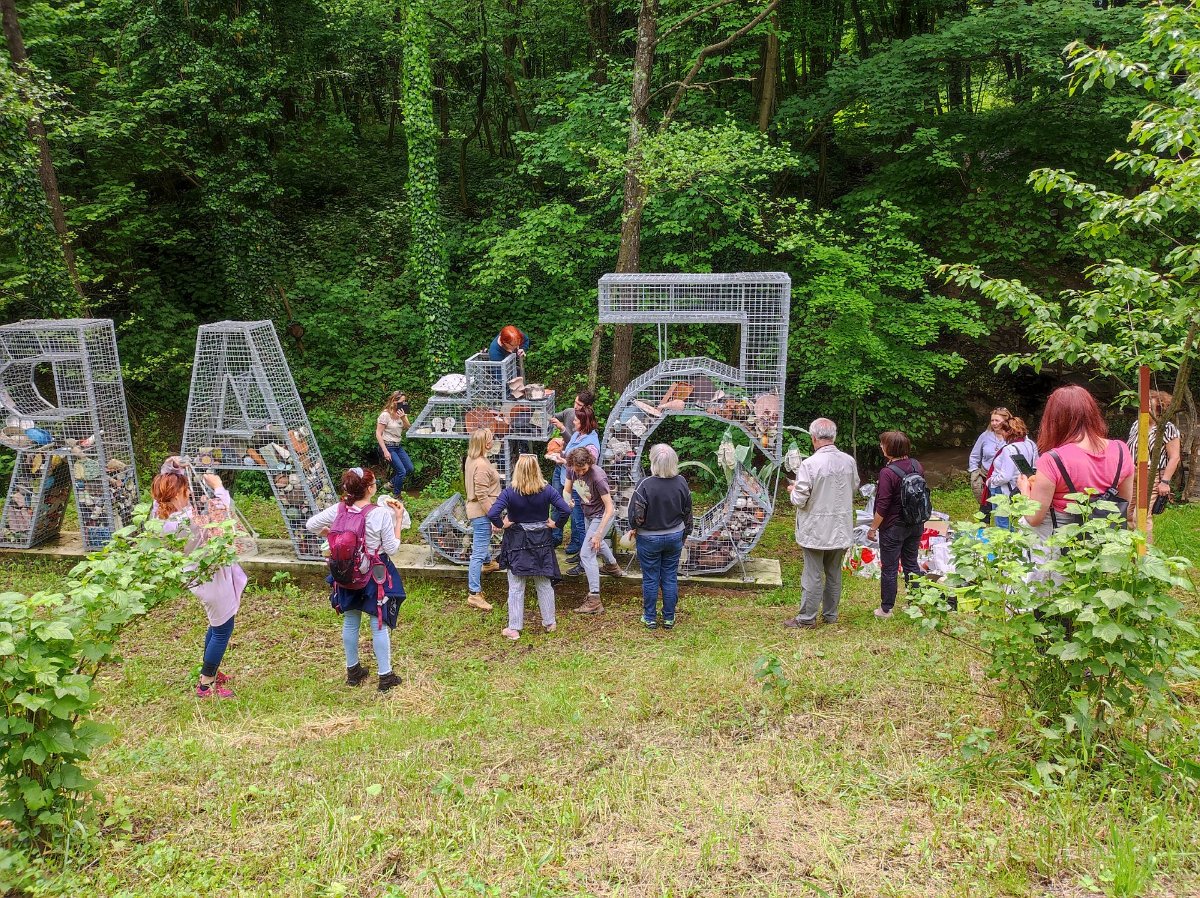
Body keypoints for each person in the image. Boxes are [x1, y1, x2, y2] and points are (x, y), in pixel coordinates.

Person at [152, 458, 247, 699]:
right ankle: (206, 684)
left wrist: (171, 465)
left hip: (198, 575)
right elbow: (222, 516)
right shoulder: (187, 522)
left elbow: (163, 485)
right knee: (223, 629)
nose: (190, 493)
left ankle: (211, 669)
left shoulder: (160, 516)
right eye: (186, 491)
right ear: (176, 495)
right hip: (211, 579)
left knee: (216, 625)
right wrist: (218, 487)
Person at [305, 468, 406, 692]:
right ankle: (385, 676)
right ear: (369, 489)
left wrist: (334, 535)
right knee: (378, 624)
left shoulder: (339, 509)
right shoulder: (379, 514)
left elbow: (311, 524)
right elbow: (392, 548)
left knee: (351, 621)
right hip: (374, 573)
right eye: (374, 483)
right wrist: (398, 520)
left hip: (347, 571)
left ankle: (353, 672)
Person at [1019, 385, 1133, 535]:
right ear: (1092, 413)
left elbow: (1034, 519)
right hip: (1104, 540)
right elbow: (1123, 505)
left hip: (1061, 541)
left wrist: (1024, 489)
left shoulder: (1052, 459)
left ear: (1054, 419)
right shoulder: (1121, 450)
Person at [782, 419, 860, 630]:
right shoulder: (848, 461)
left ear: (814, 438)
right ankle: (830, 614)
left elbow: (800, 499)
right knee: (834, 572)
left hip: (815, 529)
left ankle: (807, 618)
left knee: (813, 574)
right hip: (841, 526)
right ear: (834, 436)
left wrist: (793, 491)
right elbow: (854, 487)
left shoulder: (810, 464)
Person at [486, 454, 573, 640]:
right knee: (543, 583)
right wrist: (556, 524)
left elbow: (493, 513)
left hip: (517, 542)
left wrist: (502, 524)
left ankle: (514, 628)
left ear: (517, 470)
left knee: (516, 586)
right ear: (537, 469)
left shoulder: (510, 492)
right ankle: (549, 622)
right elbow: (566, 509)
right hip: (541, 541)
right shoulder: (547, 490)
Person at [628, 444, 692, 630]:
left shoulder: (645, 484)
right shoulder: (682, 482)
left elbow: (636, 515)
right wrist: (685, 534)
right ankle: (669, 617)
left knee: (650, 578)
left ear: (653, 462)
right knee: (670, 576)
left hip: (649, 539)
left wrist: (635, 528)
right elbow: (688, 512)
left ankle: (650, 618)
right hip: (674, 536)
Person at [868, 431, 925, 619]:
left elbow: (883, 505)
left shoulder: (887, 473)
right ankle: (915, 605)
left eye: (883, 444)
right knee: (911, 564)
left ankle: (886, 609)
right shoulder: (916, 465)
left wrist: (873, 528)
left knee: (890, 568)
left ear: (890, 448)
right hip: (915, 523)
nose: (881, 446)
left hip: (893, 527)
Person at [563, 446, 624, 613]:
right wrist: (568, 501)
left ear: (589, 463)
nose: (580, 473)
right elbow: (566, 490)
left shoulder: (598, 477)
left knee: (586, 553)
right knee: (596, 543)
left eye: (583, 469)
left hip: (603, 515)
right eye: (577, 470)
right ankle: (612, 567)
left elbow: (609, 508)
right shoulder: (571, 469)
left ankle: (594, 599)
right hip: (588, 513)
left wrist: (598, 533)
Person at [551, 401, 599, 561]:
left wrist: (565, 461)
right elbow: (571, 455)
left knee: (580, 522)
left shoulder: (591, 444)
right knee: (575, 518)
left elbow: (587, 467)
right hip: (571, 481)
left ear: (584, 423)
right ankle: (581, 553)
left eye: (576, 420)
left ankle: (583, 555)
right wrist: (561, 456)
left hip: (581, 486)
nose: (573, 421)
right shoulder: (578, 435)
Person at [1126, 389, 1181, 522]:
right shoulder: (1137, 424)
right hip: (1132, 473)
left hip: (1152, 475)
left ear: (1159, 409)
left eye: (1149, 407)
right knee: (1127, 514)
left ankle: (1144, 536)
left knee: (1141, 517)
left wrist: (1165, 482)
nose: (1144, 410)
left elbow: (1175, 457)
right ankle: (1133, 537)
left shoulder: (1166, 428)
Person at [464, 427, 502, 611]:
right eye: (491, 438)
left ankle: (488, 564)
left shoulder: (472, 458)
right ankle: (474, 593)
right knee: (478, 552)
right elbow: (482, 495)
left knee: (482, 541)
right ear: (486, 444)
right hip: (481, 512)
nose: (493, 440)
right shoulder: (481, 465)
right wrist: (494, 517)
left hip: (477, 511)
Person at [986, 417, 1038, 530]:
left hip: (1004, 490)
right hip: (1020, 488)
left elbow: (1005, 476)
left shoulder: (1009, 449)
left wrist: (991, 481)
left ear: (1008, 432)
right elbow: (1034, 466)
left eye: (1003, 431)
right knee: (1018, 521)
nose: (1001, 434)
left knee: (1003, 524)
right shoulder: (1030, 444)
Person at [969, 407, 1013, 512]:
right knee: (985, 509)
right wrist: (974, 471)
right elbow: (974, 456)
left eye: (997, 420)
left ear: (1006, 421)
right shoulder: (985, 436)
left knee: (1004, 510)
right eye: (992, 420)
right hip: (986, 477)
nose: (994, 423)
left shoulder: (1012, 437)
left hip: (1005, 479)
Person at [376, 390, 414, 497]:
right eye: (402, 401)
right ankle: (397, 496)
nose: (404, 403)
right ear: (394, 401)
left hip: (398, 446)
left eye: (405, 401)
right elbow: (378, 433)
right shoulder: (385, 415)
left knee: (409, 468)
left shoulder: (403, 411)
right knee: (401, 471)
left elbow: (409, 428)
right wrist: (385, 451)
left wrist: (403, 417)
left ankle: (391, 483)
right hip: (387, 446)